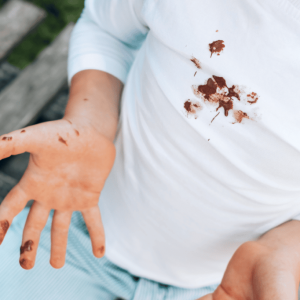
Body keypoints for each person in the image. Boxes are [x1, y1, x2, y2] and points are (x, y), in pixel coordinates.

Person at [0, 0, 300, 299]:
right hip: (74, 229)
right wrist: (90, 119)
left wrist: (286, 247)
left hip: (231, 283)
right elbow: (107, 27)